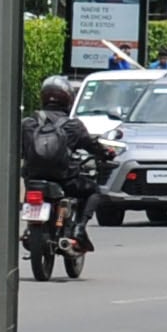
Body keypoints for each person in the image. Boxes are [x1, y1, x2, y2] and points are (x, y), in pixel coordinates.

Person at [19, 72, 111, 251]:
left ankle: (29, 228)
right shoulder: (72, 125)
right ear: (68, 99)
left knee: (29, 184)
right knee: (94, 190)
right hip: (64, 178)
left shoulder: (28, 123)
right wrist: (106, 153)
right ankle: (79, 228)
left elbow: (19, 148)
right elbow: (92, 146)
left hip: (33, 179)